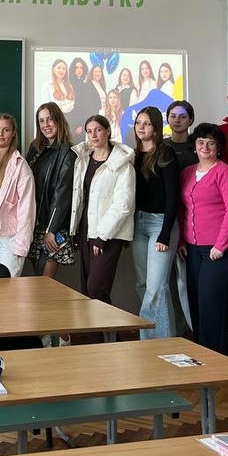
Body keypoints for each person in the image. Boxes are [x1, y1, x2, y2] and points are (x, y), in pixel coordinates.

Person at [180, 122, 228, 355]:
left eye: (211, 143)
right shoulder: (188, 173)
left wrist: (220, 245)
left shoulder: (226, 173)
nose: (205, 147)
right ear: (194, 146)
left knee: (211, 299)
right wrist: (181, 241)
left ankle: (214, 353)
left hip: (221, 247)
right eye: (201, 142)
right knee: (196, 297)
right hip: (193, 246)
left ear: (218, 148)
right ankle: (201, 348)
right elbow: (183, 209)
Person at [68, 115, 134, 313]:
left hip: (108, 235)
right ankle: (97, 331)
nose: (93, 135)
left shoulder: (122, 164)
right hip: (85, 230)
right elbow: (79, 197)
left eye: (98, 130)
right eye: (89, 131)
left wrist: (102, 237)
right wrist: (74, 229)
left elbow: (123, 205)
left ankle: (113, 328)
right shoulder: (83, 160)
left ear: (108, 131)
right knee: (87, 292)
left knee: (97, 289)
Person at [130, 107, 180, 339]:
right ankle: (162, 336)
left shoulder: (165, 153)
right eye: (138, 123)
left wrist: (165, 234)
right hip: (138, 224)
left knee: (156, 287)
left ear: (156, 127)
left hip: (160, 224)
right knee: (143, 284)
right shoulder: (132, 155)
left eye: (147, 123)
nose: (141, 127)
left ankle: (152, 343)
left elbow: (173, 197)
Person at [0, 113, 36, 276]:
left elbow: (27, 210)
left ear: (13, 133)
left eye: (6, 130)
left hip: (10, 235)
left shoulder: (20, 166)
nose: (1, 134)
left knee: (7, 283)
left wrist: (21, 245)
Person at [25, 103, 75, 278]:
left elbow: (62, 193)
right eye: (41, 121)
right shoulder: (35, 149)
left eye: (50, 119)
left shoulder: (67, 152)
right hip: (34, 226)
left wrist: (51, 230)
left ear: (58, 120)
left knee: (45, 283)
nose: (46, 125)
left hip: (53, 228)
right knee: (38, 281)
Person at [165, 100, 198, 171]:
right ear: (167, 119)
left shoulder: (199, 146)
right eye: (173, 116)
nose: (177, 120)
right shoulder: (161, 145)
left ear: (191, 120)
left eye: (183, 117)